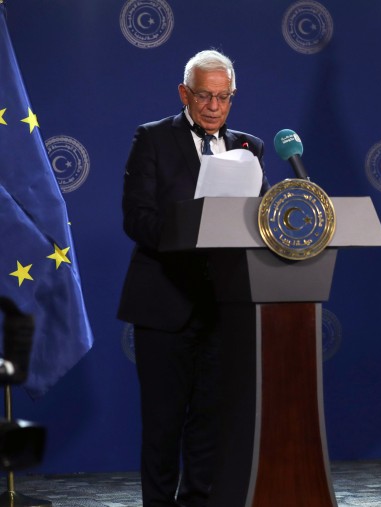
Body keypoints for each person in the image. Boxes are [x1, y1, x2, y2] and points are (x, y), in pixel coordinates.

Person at [118, 49, 266, 507]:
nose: (214, 107)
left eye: (223, 97)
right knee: (163, 424)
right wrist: (189, 231)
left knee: (210, 421)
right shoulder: (154, 139)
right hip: (165, 302)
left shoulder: (250, 149)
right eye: (204, 95)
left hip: (225, 306)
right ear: (185, 93)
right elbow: (136, 218)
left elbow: (255, 220)